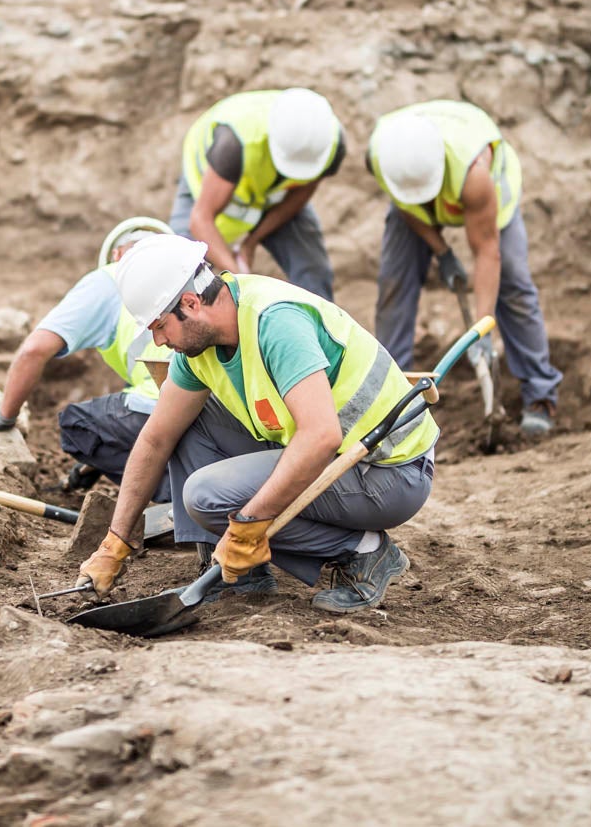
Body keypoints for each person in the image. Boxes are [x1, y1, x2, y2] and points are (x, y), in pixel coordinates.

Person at [76, 233, 439, 616]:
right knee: (184, 423)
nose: (159, 341)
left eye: (159, 326)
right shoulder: (199, 346)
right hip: (332, 454)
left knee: (206, 496)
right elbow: (155, 439)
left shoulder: (275, 322)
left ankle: (364, 550)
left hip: (388, 471)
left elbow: (320, 435)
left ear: (190, 303)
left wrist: (248, 523)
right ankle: (240, 573)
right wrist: (115, 542)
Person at [368, 100, 563, 437]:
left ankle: (539, 395)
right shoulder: (382, 156)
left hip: (487, 193)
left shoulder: (474, 174)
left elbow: (487, 252)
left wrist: (480, 332)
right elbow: (404, 205)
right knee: (394, 283)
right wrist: (441, 251)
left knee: (513, 283)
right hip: (412, 197)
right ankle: (391, 399)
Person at [0, 217, 173, 491]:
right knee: (127, 399)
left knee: (79, 426)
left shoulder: (109, 279)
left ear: (117, 255)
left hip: (165, 404)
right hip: (215, 407)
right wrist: (95, 463)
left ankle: (173, 492)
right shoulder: (187, 274)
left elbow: (34, 350)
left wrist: (5, 416)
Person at [169, 88, 346, 300]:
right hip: (207, 191)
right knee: (177, 277)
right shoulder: (233, 145)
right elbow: (200, 220)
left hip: (274, 194)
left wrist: (251, 243)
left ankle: (318, 328)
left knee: (312, 270)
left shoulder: (328, 147)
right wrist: (240, 279)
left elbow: (301, 193)